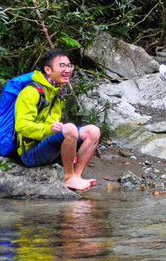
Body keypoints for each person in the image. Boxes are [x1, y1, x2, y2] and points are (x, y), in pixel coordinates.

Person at [14, 48, 101, 191]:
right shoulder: (30, 92)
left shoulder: (57, 90)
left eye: (69, 66)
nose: (68, 70)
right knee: (70, 129)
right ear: (48, 70)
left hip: (49, 146)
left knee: (93, 131)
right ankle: (68, 178)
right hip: (30, 152)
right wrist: (48, 129)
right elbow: (22, 126)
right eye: (62, 66)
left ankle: (76, 176)